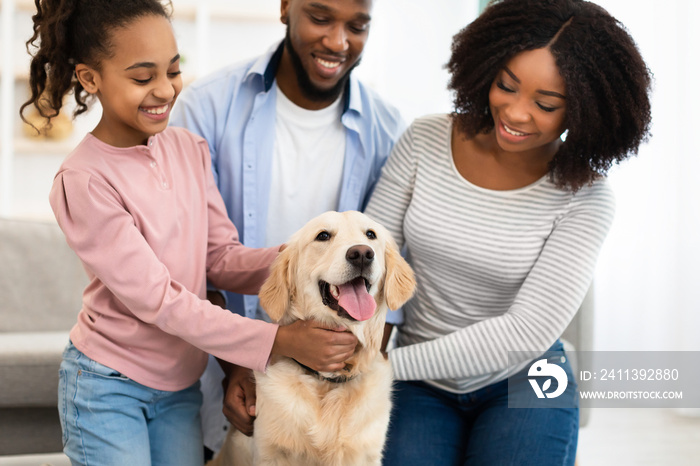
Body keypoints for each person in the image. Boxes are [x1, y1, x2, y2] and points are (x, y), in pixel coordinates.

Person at [20, 1, 357, 464]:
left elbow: (219, 258)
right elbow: (160, 300)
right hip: (108, 386)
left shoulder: (188, 149)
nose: (164, 90)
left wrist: (304, 256)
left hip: (180, 386)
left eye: (173, 70)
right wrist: (278, 342)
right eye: (142, 77)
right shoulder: (85, 181)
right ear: (90, 79)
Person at [364, 0, 652, 464]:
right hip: (420, 384)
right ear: (484, 69)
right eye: (506, 86)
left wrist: (378, 369)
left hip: (525, 379)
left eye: (545, 104)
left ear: (584, 110)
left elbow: (524, 332)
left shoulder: (588, 199)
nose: (516, 114)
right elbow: (372, 259)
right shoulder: (424, 140)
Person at [169, 0, 405, 456]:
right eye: (320, 18)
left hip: (339, 387)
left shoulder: (387, 128)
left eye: (357, 26)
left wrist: (356, 370)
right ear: (285, 8)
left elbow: (385, 280)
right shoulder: (205, 108)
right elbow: (193, 261)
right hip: (224, 373)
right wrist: (239, 366)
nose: (338, 42)